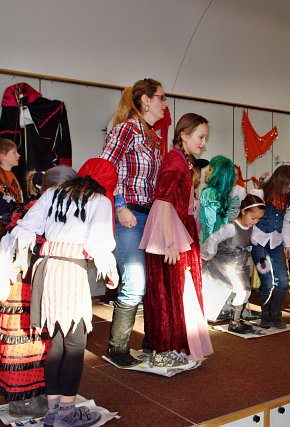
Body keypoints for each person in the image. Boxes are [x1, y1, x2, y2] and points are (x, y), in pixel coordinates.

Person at [5, 158, 118, 427]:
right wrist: (110, 270)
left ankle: (53, 410)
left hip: (46, 269)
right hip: (71, 270)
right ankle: (66, 413)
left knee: (55, 344)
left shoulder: (53, 194)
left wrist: (21, 256)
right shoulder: (100, 201)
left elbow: (25, 227)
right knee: (75, 345)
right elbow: (99, 243)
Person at [0, 166, 77, 418]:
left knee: (41, 345)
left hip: (39, 286)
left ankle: (37, 393)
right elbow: (10, 241)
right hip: (19, 287)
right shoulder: (34, 209)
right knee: (21, 344)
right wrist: (2, 278)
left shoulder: (61, 212)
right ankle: (22, 401)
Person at [100, 78, 166, 368]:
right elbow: (105, 168)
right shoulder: (125, 129)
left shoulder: (153, 137)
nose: (165, 103)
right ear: (145, 100)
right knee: (135, 282)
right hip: (129, 216)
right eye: (161, 97)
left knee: (149, 282)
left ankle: (150, 342)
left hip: (149, 216)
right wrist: (119, 206)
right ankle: (117, 349)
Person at [140, 113, 213, 361]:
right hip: (173, 234)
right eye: (200, 137)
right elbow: (163, 202)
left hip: (181, 232)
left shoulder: (183, 160)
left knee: (180, 291)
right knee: (172, 293)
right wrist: (170, 243)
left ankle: (179, 345)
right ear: (183, 135)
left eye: (205, 138)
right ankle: (169, 347)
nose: (203, 142)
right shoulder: (174, 161)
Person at [201, 194, 266, 333]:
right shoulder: (231, 227)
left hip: (238, 263)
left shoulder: (250, 227)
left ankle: (236, 318)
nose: (255, 222)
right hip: (225, 263)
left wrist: (248, 248)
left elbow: (245, 240)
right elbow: (213, 238)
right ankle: (234, 323)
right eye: (253, 218)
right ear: (243, 211)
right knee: (242, 290)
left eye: (258, 219)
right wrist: (210, 253)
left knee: (246, 291)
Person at [250, 164, 290, 330]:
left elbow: (286, 222)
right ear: (279, 181)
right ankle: (265, 315)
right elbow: (249, 215)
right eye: (287, 185)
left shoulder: (287, 199)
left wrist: (287, 244)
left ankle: (276, 314)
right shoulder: (260, 194)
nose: (288, 189)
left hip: (276, 242)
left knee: (283, 281)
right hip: (258, 241)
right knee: (267, 281)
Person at [200, 155, 236, 243]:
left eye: (210, 169)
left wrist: (207, 243)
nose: (205, 172)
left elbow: (209, 223)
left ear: (217, 174)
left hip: (210, 241)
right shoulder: (225, 195)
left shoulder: (208, 193)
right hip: (221, 240)